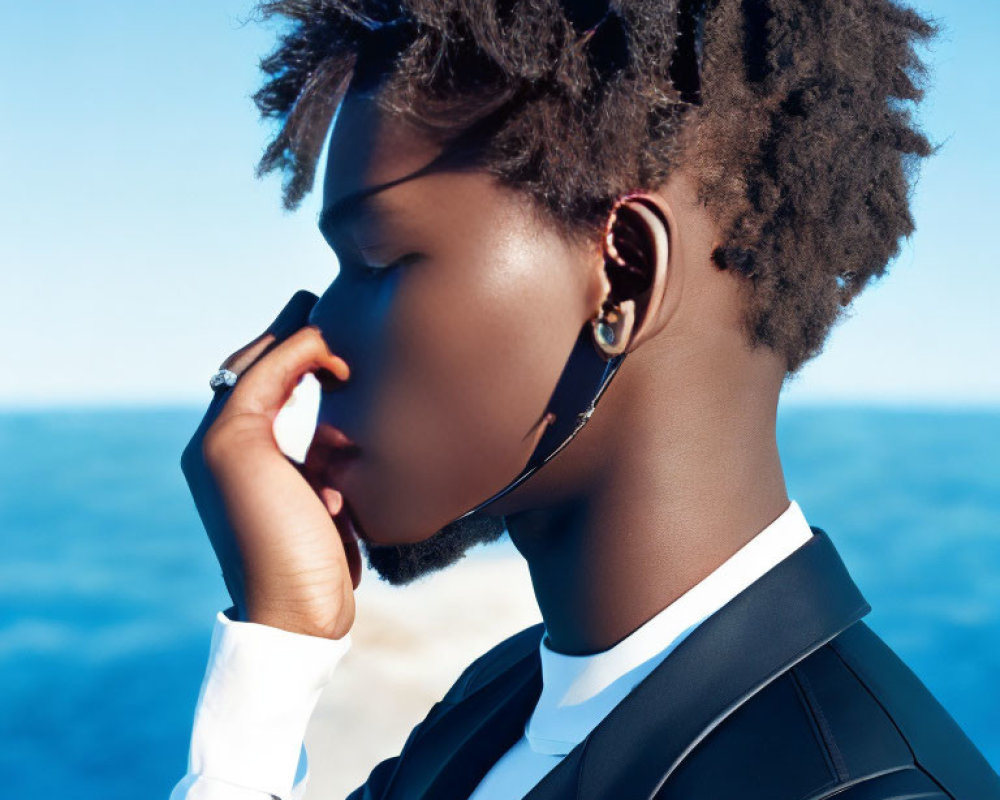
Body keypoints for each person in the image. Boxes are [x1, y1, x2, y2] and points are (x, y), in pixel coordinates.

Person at [170, 0, 1000, 798]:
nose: (314, 341)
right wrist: (277, 640)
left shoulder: (854, 791)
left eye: (378, 260)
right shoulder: (498, 707)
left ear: (623, 277)